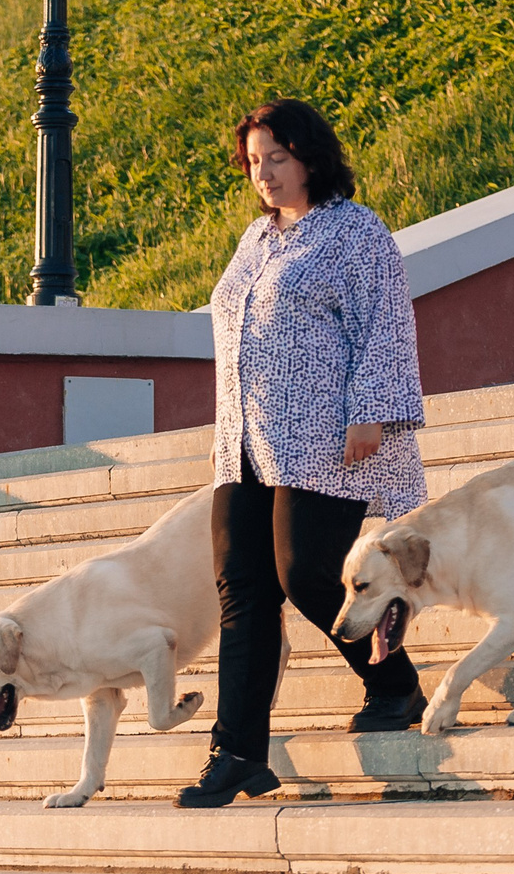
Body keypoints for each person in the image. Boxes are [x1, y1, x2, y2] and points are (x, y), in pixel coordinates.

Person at [182, 98, 429, 809]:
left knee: (307, 573)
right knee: (243, 590)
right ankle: (236, 754)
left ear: (310, 156)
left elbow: (385, 322)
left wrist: (373, 411)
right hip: (246, 443)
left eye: (277, 159)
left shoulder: (356, 232)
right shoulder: (255, 241)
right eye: (254, 162)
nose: (263, 174)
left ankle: (393, 681)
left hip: (325, 437)